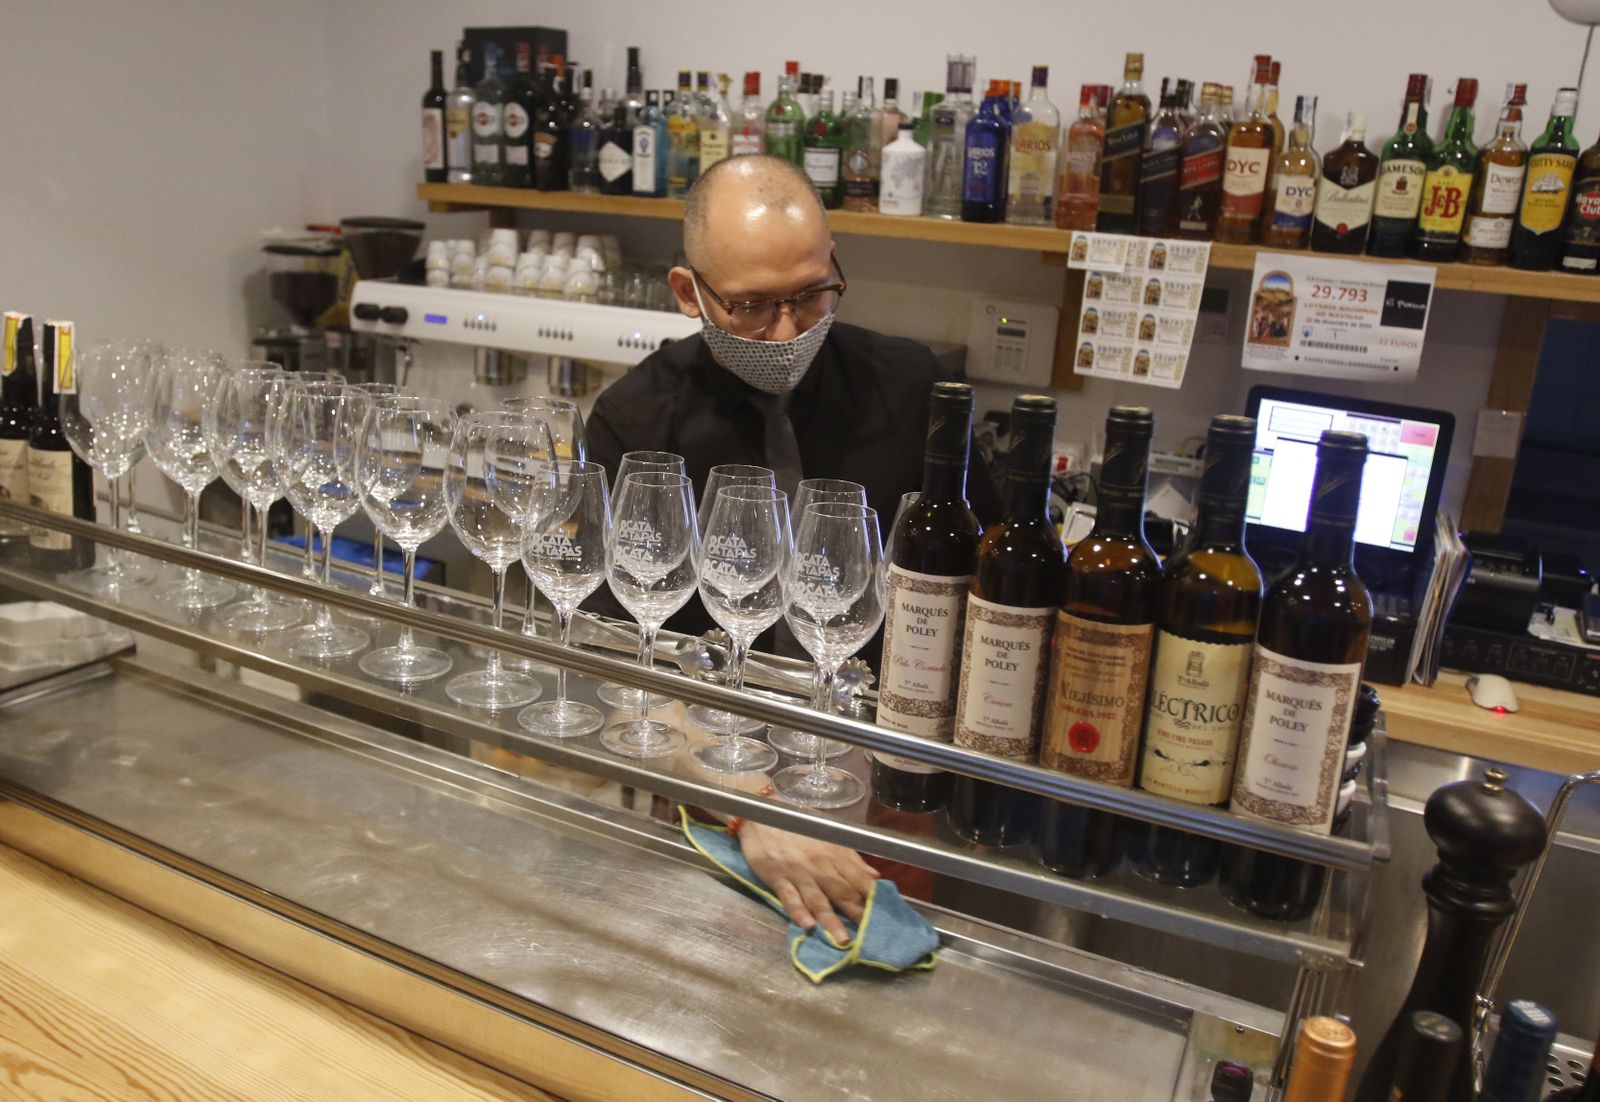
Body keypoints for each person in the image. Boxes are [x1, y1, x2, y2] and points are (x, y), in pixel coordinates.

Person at [585, 155, 1001, 944]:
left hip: (888, 786)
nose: (788, 331)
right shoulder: (634, 421)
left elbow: (991, 598)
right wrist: (748, 804)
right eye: (750, 307)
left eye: (811, 294)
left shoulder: (911, 389)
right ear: (688, 293)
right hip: (710, 774)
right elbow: (615, 649)